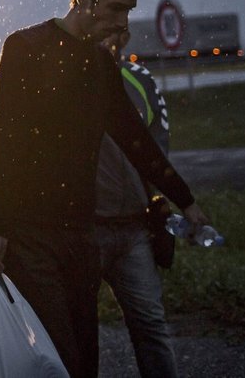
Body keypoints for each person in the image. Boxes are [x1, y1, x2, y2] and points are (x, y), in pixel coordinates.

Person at [0, 0, 208, 378]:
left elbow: (136, 141)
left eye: (129, 10)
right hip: (31, 238)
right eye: (116, 8)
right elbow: (4, 142)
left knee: (86, 359)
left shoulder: (98, 65)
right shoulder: (26, 48)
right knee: (60, 356)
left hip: (82, 236)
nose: (123, 21)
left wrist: (187, 200)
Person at [96, 29, 178, 378]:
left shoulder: (139, 80)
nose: (111, 37)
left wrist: (164, 202)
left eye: (118, 28)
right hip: (82, 229)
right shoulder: (65, 83)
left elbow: (158, 151)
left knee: (150, 327)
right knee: (76, 332)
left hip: (134, 229)